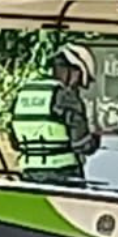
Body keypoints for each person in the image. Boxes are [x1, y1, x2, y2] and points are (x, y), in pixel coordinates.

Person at [10, 43, 100, 184]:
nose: (77, 87)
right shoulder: (65, 97)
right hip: (63, 175)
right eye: (79, 80)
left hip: (29, 174)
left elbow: (15, 142)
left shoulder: (24, 92)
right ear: (74, 71)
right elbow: (81, 145)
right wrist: (96, 138)